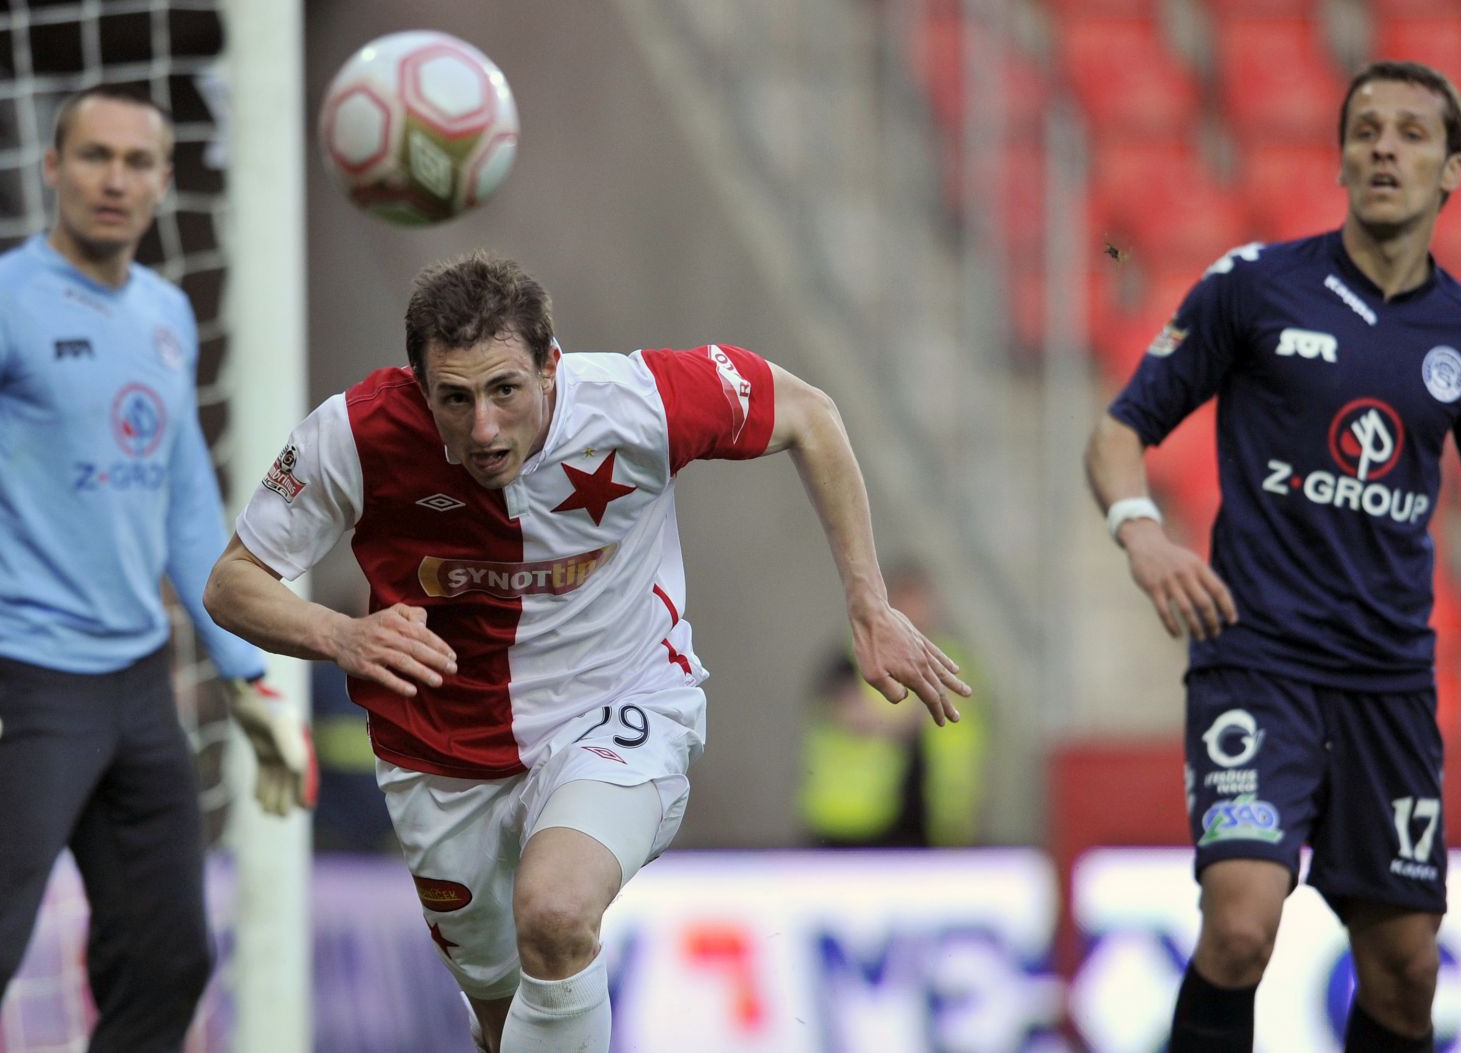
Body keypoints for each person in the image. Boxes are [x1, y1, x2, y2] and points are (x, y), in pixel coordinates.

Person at [205, 251, 970, 1053]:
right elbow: (231, 582)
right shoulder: (353, 435)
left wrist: (868, 599)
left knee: (557, 911)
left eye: (506, 389)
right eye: (454, 400)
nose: (485, 427)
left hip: (618, 703)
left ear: (551, 365)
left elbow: (809, 414)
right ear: (417, 387)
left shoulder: (636, 402)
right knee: (505, 1021)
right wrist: (341, 635)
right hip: (439, 752)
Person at [0, 84, 312, 1053]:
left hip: (137, 686)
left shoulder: (164, 313)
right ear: (51, 169)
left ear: (163, 182)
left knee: (170, 963)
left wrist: (248, 675)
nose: (114, 179)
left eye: (137, 162)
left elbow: (188, 505)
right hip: (22, 687)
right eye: (93, 156)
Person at [1084, 60, 1461, 1053]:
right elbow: (1118, 431)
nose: (1383, 148)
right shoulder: (1257, 286)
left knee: (1401, 978)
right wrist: (1140, 533)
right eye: (1365, 131)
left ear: (1449, 172)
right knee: (1237, 927)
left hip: (1390, 683)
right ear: (1342, 157)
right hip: (1255, 659)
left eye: (1408, 133)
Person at [796, 563, 986, 848]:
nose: (917, 611)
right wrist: (915, 713)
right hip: (853, 823)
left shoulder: (953, 659)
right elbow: (850, 713)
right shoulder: (855, 654)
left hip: (935, 823)